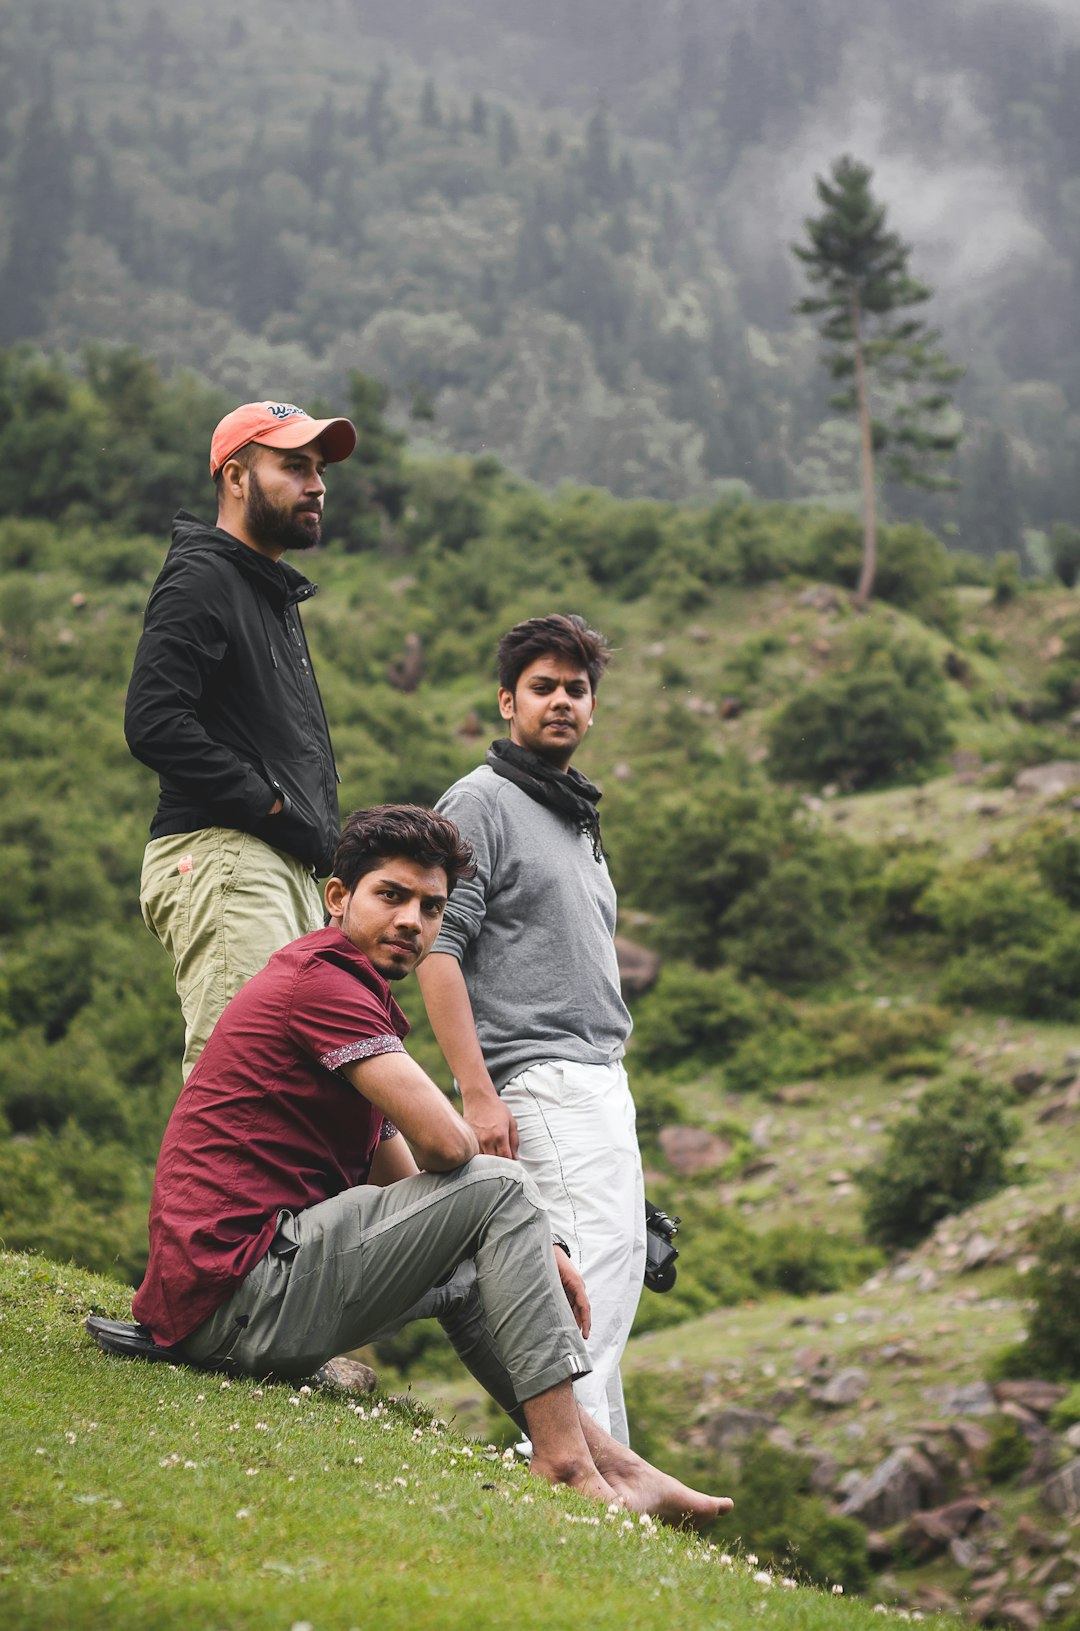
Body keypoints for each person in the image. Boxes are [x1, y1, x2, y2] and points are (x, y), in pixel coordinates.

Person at [120, 804, 729, 1522]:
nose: (413, 920)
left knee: (477, 1247)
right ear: (338, 897)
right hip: (235, 1297)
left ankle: (610, 1461)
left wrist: (530, 1246)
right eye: (392, 896)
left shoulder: (351, 999)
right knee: (501, 1183)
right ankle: (565, 1462)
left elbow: (418, 1190)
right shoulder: (324, 984)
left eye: (432, 906)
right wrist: (523, 1219)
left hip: (241, 1297)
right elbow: (450, 1150)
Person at [416, 614, 644, 1444]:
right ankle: (558, 1461)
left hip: (598, 1077)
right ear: (506, 701)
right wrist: (476, 1094)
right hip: (539, 1077)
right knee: (583, 1285)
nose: (561, 701)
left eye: (576, 689)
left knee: (611, 1283)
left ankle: (609, 1479)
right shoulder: (483, 801)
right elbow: (439, 949)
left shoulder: (573, 812)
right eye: (542, 687)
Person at [125, 400, 357, 1078]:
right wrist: (272, 805)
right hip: (227, 857)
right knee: (245, 1077)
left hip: (276, 867)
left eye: (318, 469)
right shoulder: (204, 576)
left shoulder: (264, 590)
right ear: (234, 476)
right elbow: (153, 721)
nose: (316, 484)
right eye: (293, 466)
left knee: (299, 1085)